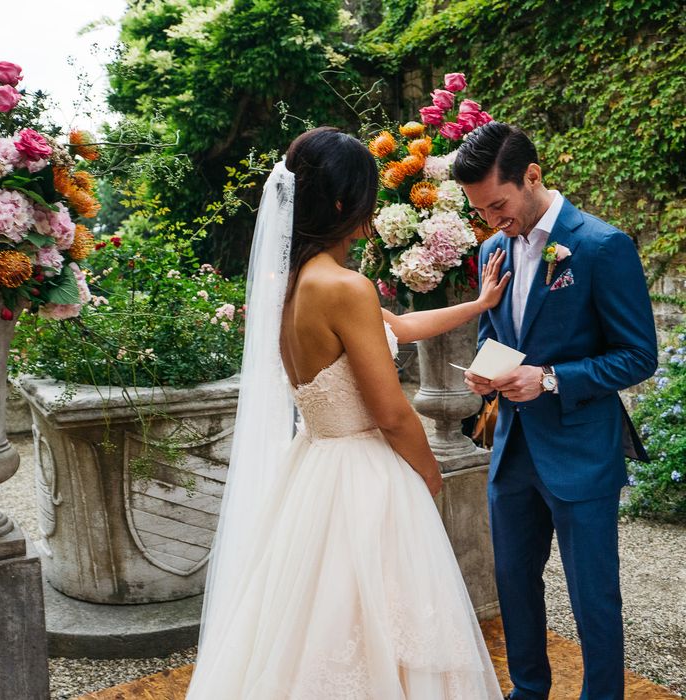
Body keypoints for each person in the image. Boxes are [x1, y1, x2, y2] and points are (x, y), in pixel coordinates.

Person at [185, 126, 510, 699]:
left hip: (314, 466)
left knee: (307, 623)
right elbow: (390, 412)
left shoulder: (290, 284)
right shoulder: (346, 287)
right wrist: (428, 472)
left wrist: (480, 304)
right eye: (366, 195)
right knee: (381, 627)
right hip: (365, 474)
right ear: (342, 203)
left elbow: (400, 327)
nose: (373, 208)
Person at [454, 121, 658, 700]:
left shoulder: (599, 245)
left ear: (533, 176)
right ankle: (528, 691)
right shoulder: (494, 247)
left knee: (593, 593)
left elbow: (638, 355)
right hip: (513, 451)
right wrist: (484, 371)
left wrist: (548, 379)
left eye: (498, 204)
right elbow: (496, 333)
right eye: (481, 211)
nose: (492, 220)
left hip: (581, 451)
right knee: (514, 584)